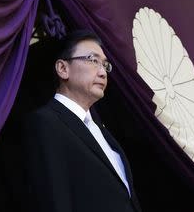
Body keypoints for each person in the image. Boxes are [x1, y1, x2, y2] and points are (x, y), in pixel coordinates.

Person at [21, 30, 141, 212]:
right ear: (63, 68)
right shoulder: (46, 122)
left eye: (105, 65)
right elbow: (54, 199)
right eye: (93, 61)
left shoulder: (102, 131)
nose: (103, 72)